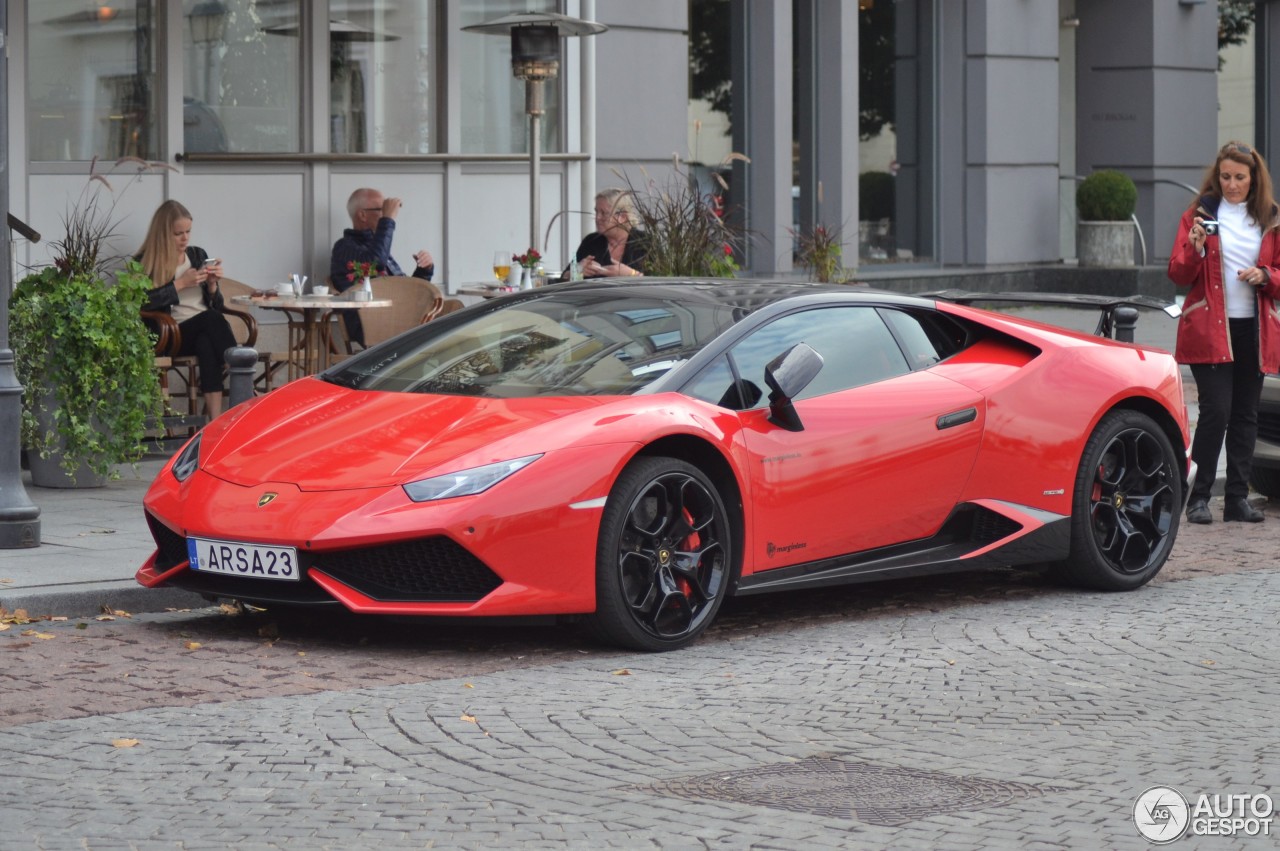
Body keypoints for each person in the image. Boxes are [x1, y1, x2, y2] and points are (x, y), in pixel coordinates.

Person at [1168, 141, 1280, 525]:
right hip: (1209, 328)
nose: (1232, 185)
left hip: (1254, 329)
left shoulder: (1270, 218)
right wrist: (1194, 249)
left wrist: (1265, 275)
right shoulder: (1198, 215)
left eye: (1240, 177)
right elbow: (1178, 273)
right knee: (1217, 411)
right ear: (1217, 177)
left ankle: (1236, 500)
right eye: (1226, 177)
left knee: (1246, 414)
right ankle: (1198, 498)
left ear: (1254, 179)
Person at [138, 200, 236, 419]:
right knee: (210, 318)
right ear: (163, 233)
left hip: (202, 330)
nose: (185, 238)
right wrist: (180, 284)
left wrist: (212, 285)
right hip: (171, 335)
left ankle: (215, 421)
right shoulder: (145, 262)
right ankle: (238, 367)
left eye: (188, 231)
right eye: (178, 233)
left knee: (206, 344)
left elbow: (217, 304)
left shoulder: (197, 255)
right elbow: (140, 303)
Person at [330, 188, 436, 348]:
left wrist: (424, 270)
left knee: (457, 315)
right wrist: (388, 220)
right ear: (362, 215)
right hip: (370, 323)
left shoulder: (377, 249)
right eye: (382, 209)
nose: (387, 214)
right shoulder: (344, 247)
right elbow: (374, 262)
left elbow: (404, 291)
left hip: (398, 316)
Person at [569, 188, 646, 279]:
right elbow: (564, 278)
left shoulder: (646, 242)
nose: (597, 218)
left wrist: (632, 274)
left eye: (603, 213)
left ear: (622, 217)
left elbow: (660, 282)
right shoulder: (591, 241)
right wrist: (577, 271)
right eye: (596, 211)